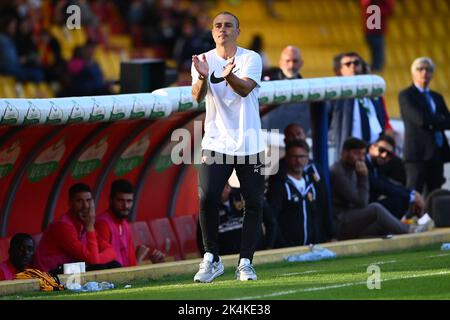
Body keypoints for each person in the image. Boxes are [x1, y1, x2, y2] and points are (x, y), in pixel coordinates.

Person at [191, 12, 264, 282]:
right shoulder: (202, 60)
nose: (223, 29)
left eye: (228, 25)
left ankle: (245, 262)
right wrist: (201, 78)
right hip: (216, 141)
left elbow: (244, 89)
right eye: (218, 25)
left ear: (238, 31)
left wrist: (227, 75)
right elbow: (197, 97)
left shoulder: (250, 58)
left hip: (249, 143)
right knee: (208, 196)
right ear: (212, 32)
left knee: (254, 202)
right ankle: (212, 257)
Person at [330, 137, 415, 240]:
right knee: (375, 208)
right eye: (357, 153)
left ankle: (405, 230)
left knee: (385, 225)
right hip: (341, 221)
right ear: (344, 153)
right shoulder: (337, 171)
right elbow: (362, 202)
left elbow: (386, 185)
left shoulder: (353, 168)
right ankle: (410, 230)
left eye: (362, 154)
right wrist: (363, 176)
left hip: (353, 220)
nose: (361, 158)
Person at [267, 123, 334, 242]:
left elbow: (324, 201)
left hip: (315, 239)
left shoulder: (314, 169)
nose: (296, 137)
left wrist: (330, 234)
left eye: (298, 134)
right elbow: (272, 213)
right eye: (291, 135)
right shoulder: (279, 173)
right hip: (288, 243)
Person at [34, 183, 119, 273]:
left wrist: (97, 260)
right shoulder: (62, 226)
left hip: (69, 270)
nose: (85, 205)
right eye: (79, 201)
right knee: (99, 268)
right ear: (70, 203)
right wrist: (90, 227)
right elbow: (93, 261)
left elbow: (112, 252)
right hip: (50, 275)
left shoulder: (82, 223)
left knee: (113, 264)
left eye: (88, 200)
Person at [399, 57, 450, 196]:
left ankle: (432, 219)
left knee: (435, 195)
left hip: (437, 153)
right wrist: (439, 119)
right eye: (420, 69)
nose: (424, 72)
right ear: (412, 73)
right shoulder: (406, 95)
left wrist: (434, 120)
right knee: (413, 196)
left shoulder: (437, 96)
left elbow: (448, 121)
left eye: (428, 69)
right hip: (417, 155)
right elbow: (420, 120)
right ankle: (410, 218)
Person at [328, 52, 389, 160]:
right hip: (347, 152)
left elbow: (382, 119)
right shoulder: (334, 96)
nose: (353, 66)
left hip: (373, 152)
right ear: (339, 70)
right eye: (348, 64)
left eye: (356, 63)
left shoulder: (373, 93)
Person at [96, 179, 165, 267]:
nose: (126, 206)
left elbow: (132, 266)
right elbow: (103, 266)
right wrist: (139, 258)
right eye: (120, 200)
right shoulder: (102, 224)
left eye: (129, 201)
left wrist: (152, 263)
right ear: (110, 200)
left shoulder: (124, 224)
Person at [267, 140, 322, 247]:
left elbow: (317, 214)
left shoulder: (312, 182)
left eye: (302, 156)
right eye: (294, 156)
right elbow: (272, 219)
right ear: (286, 158)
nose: (298, 160)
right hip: (288, 249)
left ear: (307, 159)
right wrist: (282, 244)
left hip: (311, 247)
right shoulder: (280, 185)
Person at [196, 182, 276, 256]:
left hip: (255, 253)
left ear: (228, 187)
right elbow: (202, 237)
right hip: (226, 258)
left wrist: (268, 246)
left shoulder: (246, 196)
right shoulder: (208, 207)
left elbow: (270, 221)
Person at [366, 135, 425, 219]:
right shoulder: (363, 163)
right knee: (398, 201)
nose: (384, 155)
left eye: (389, 154)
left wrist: (412, 193)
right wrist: (411, 196)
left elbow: (387, 184)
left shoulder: (376, 166)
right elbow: (382, 186)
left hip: (368, 206)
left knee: (402, 199)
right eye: (381, 150)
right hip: (356, 212)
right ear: (372, 148)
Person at [261, 45, 310, 134]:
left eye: (295, 61)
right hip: (267, 139)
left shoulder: (308, 90)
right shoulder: (265, 85)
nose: (291, 65)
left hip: (292, 140)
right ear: (280, 63)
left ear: (301, 63)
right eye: (288, 61)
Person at [360, 0, 395, 72]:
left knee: (377, 59)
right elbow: (390, 10)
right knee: (377, 59)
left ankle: (375, 71)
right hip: (373, 32)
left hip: (374, 31)